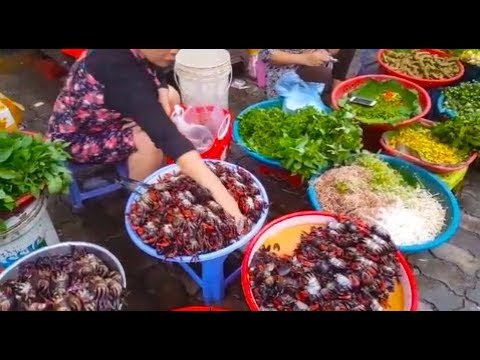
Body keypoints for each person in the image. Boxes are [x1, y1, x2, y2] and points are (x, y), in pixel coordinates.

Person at [47, 49, 245, 227]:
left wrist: (161, 90)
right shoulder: (118, 69)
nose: (175, 51)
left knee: (171, 96)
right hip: (77, 137)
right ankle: (140, 202)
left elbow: (156, 68)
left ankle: (149, 132)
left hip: (107, 111)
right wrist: (222, 195)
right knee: (149, 143)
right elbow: (168, 138)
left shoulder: (144, 55)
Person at [258, 49, 357, 102]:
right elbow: (266, 53)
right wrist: (305, 58)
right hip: (284, 74)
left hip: (320, 67)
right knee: (321, 74)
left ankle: (333, 95)